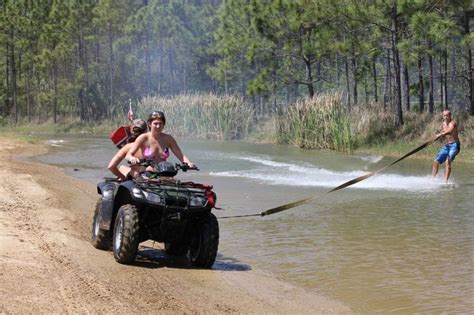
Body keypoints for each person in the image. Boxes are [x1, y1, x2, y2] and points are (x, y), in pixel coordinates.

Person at [128, 111, 195, 176]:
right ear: (149, 124)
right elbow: (129, 154)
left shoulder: (168, 139)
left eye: (160, 124)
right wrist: (132, 158)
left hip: (164, 173)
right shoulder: (143, 138)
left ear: (163, 125)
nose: (158, 126)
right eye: (155, 123)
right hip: (146, 173)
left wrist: (188, 163)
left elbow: (181, 156)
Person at [432, 110, 460, 183]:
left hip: (455, 145)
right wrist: (438, 136)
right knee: (436, 161)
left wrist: (440, 135)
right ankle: (433, 179)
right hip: (447, 145)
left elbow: (450, 131)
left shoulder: (452, 123)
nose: (446, 117)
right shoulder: (444, 123)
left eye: (447, 115)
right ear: (443, 116)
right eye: (444, 115)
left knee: (447, 162)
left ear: (450, 116)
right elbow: (443, 132)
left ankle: (445, 181)